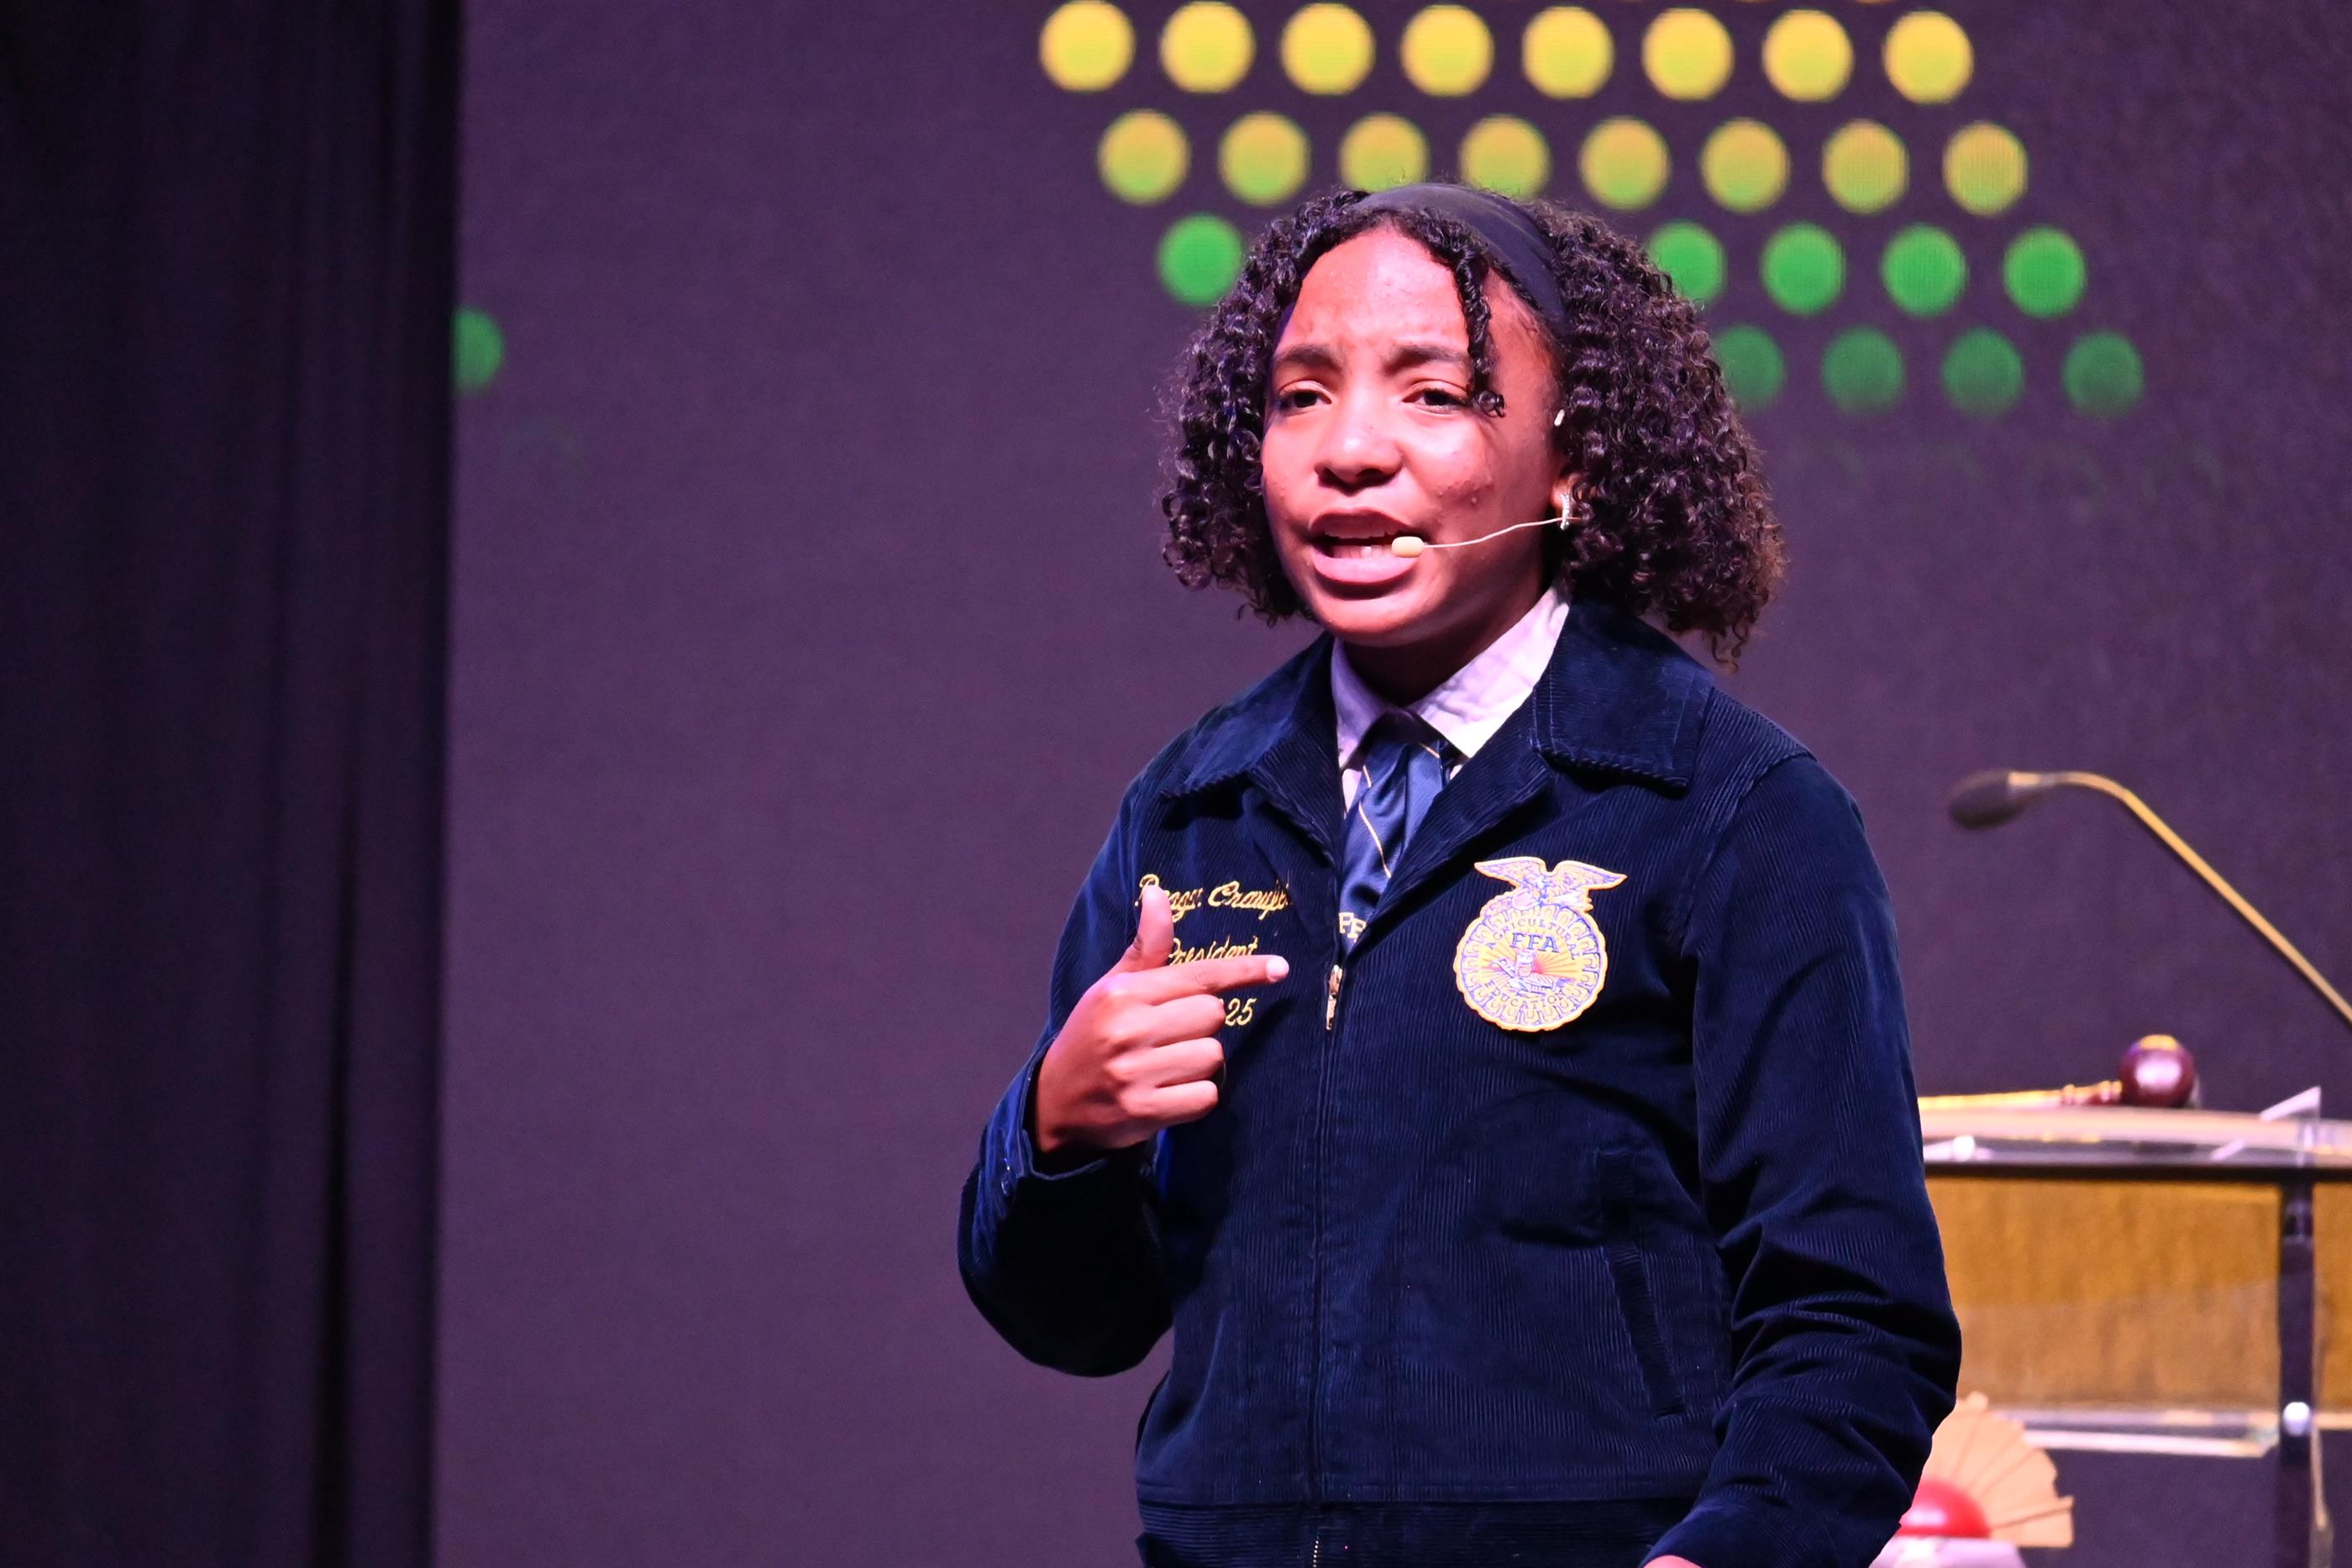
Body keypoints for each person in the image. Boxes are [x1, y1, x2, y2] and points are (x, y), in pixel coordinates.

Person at [957, 181, 1960, 1568]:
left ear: (1575, 460)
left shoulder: (1730, 813)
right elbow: (1077, 1321)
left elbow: (1855, 1322)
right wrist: (1059, 1136)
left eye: (1433, 393)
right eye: (1302, 397)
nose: (1350, 449)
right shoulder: (1194, 812)